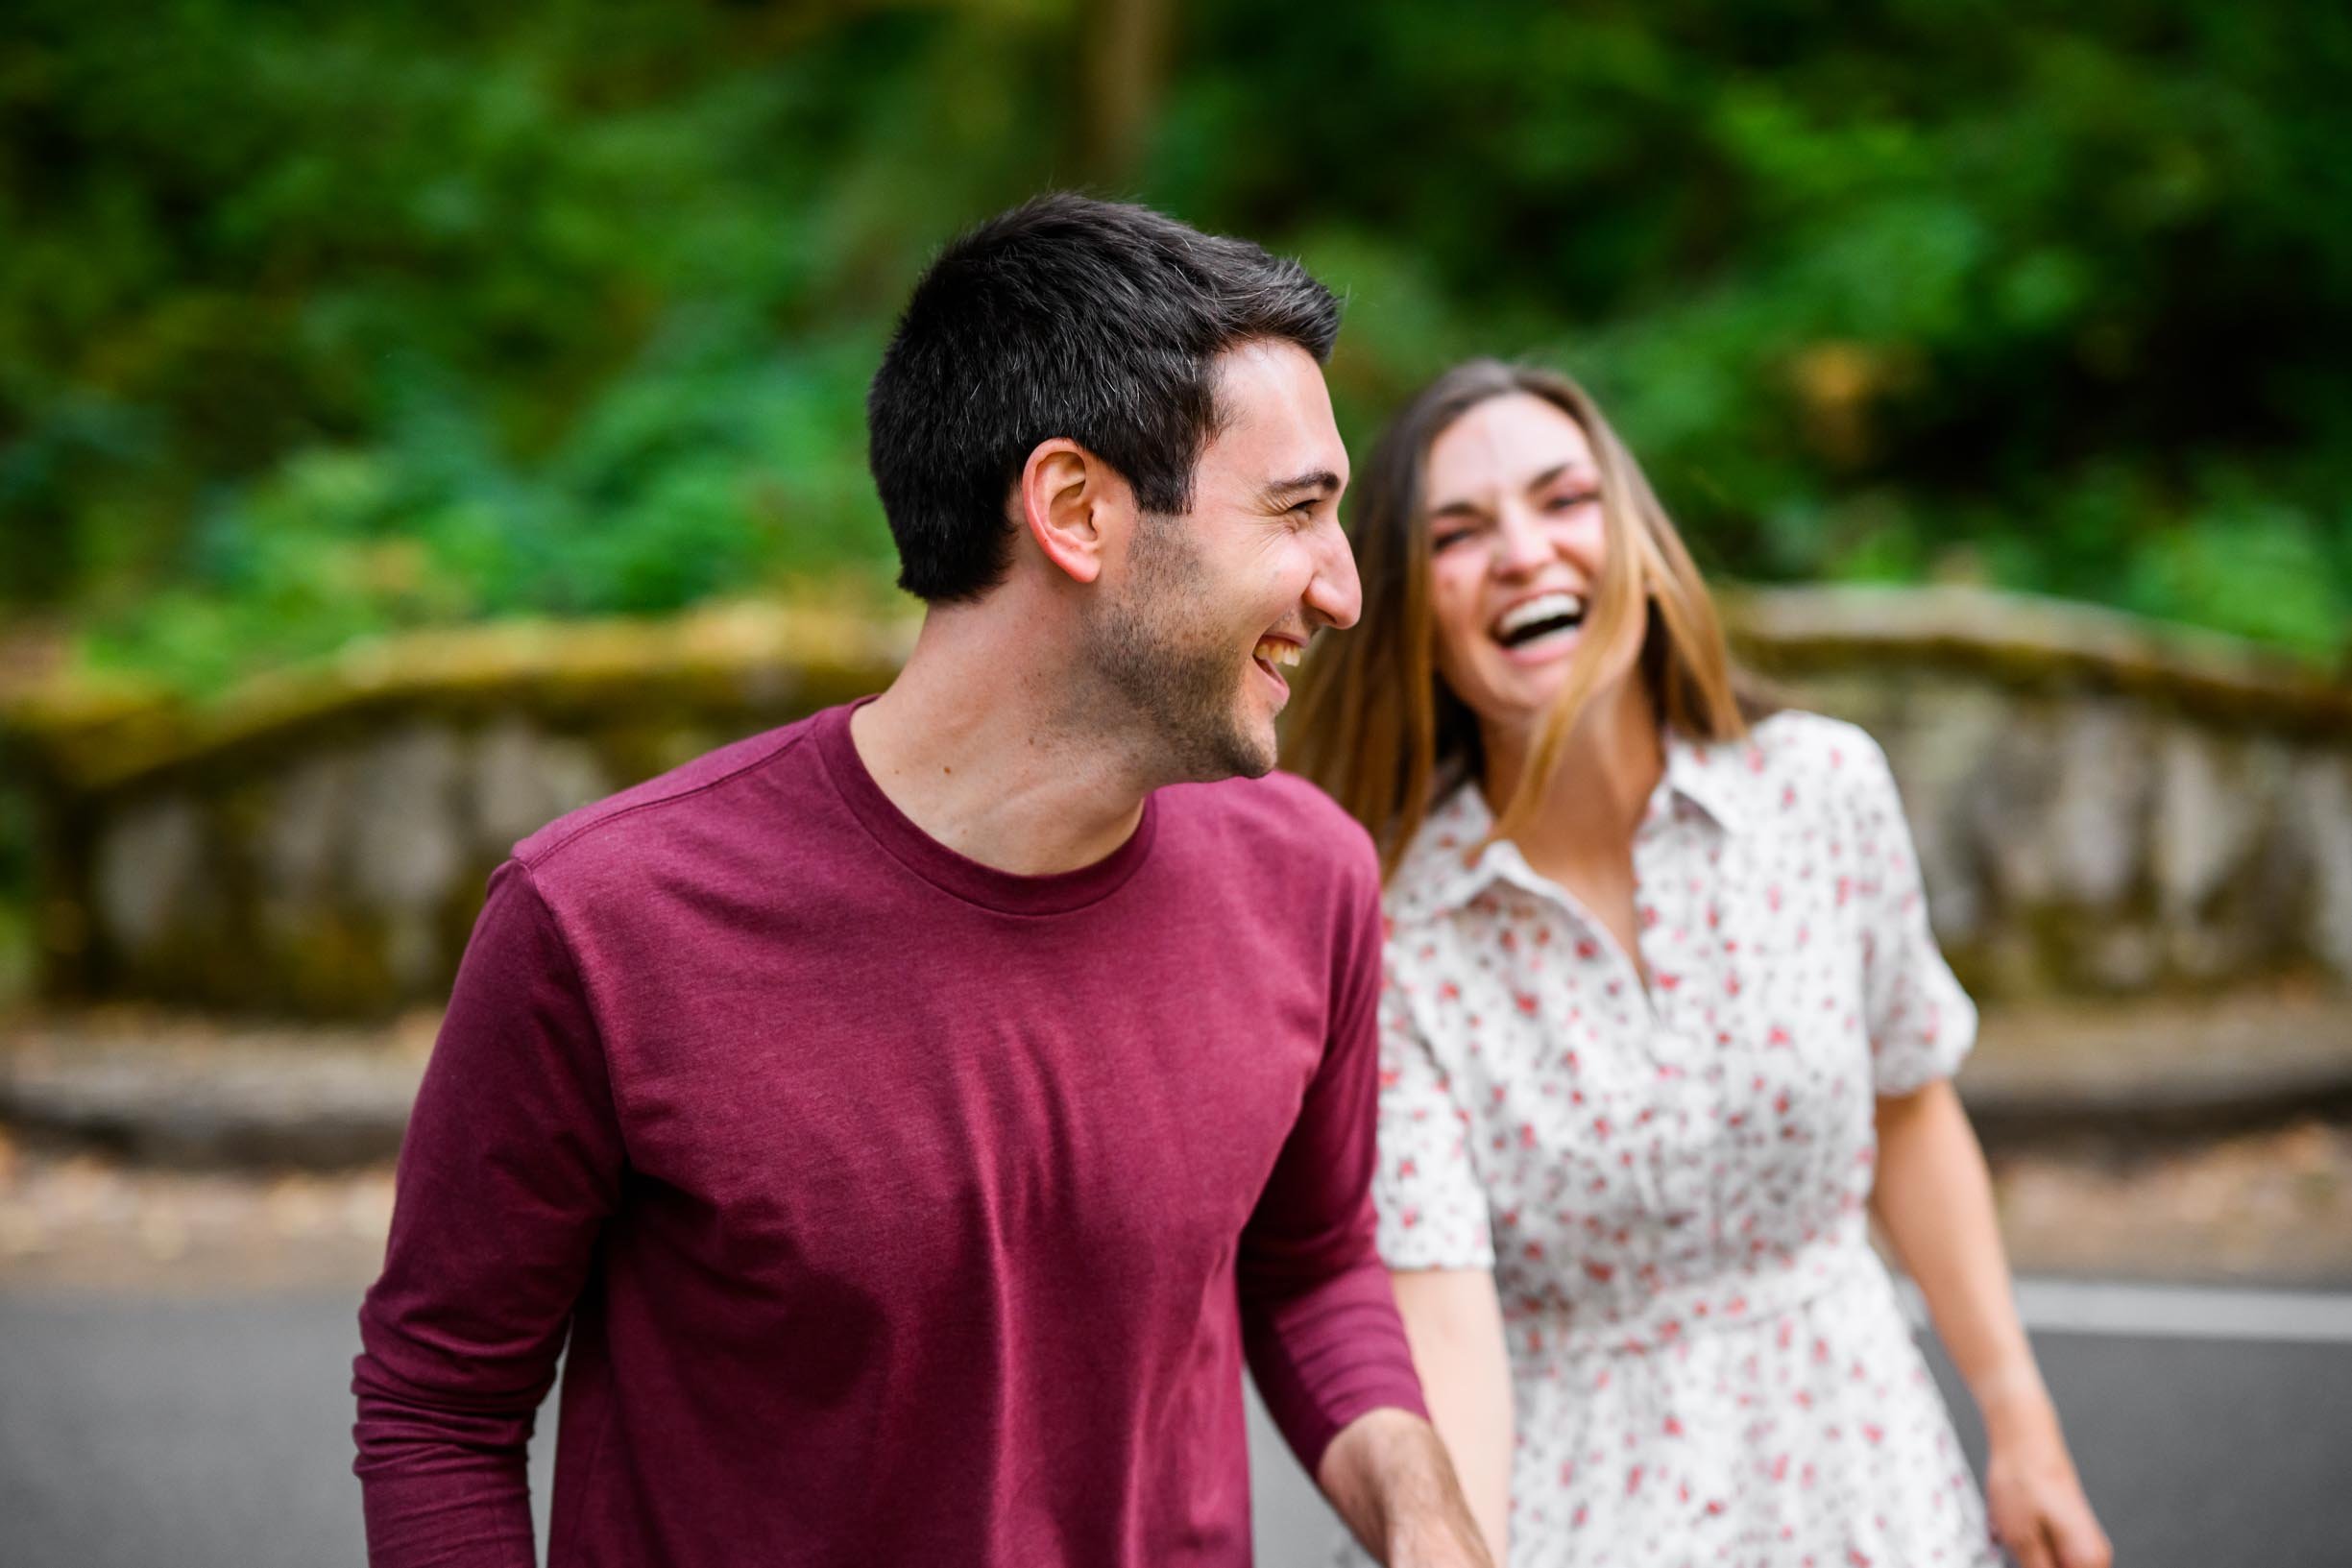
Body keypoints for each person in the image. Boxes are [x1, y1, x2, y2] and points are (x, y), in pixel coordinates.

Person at [351, 195, 1493, 1568]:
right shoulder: (601, 923)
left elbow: (1310, 1266)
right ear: (1076, 509)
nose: (1345, 590)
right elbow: (441, 1405)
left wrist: (1430, 1519)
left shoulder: (1307, 879)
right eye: (1297, 511)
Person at [1287, 360, 2112, 1568]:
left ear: (1634, 541)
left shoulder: (1822, 791)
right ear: (1412, 608)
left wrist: (2023, 1425)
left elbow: (1911, 1106)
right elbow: (1442, 1319)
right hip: (1591, 1523)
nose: (1523, 551)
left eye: (1564, 500)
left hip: (1876, 1486)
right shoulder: (1393, 931)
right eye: (1458, 532)